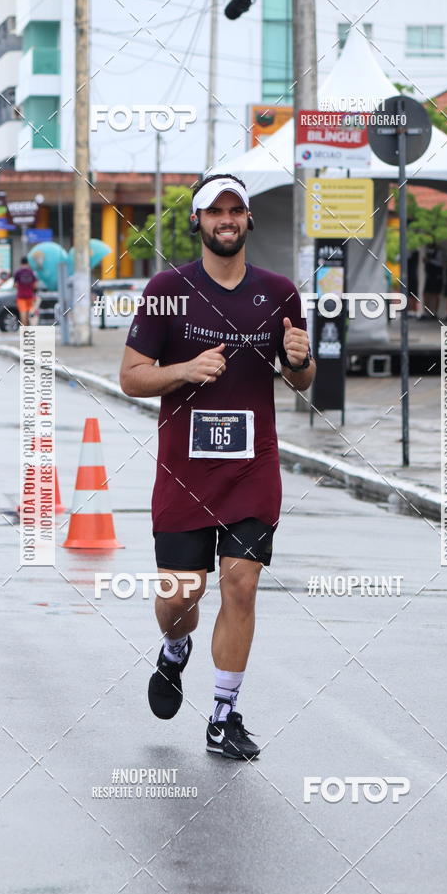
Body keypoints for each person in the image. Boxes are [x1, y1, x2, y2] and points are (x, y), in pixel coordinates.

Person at [119, 174, 315, 760]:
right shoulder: (166, 289)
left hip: (253, 468)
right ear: (197, 221)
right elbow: (130, 377)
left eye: (236, 210)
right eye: (214, 211)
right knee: (181, 596)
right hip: (185, 470)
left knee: (242, 585)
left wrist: (300, 363)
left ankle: (224, 716)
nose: (226, 220)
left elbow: (300, 379)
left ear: (248, 219)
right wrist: (183, 370)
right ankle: (174, 647)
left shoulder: (279, 291)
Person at [13, 256, 38, 326]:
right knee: (30, 314)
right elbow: (35, 285)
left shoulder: (18, 272)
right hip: (30, 296)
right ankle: (30, 330)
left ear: (21, 263)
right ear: (27, 263)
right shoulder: (31, 272)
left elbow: (15, 285)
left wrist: (20, 286)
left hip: (21, 296)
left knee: (23, 313)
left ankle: (24, 330)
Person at [423, 243, 444, 319]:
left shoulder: (439, 251)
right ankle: (426, 312)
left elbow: (440, 263)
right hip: (429, 275)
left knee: (435, 294)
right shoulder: (427, 250)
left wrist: (430, 260)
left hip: (436, 276)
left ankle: (435, 312)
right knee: (426, 294)